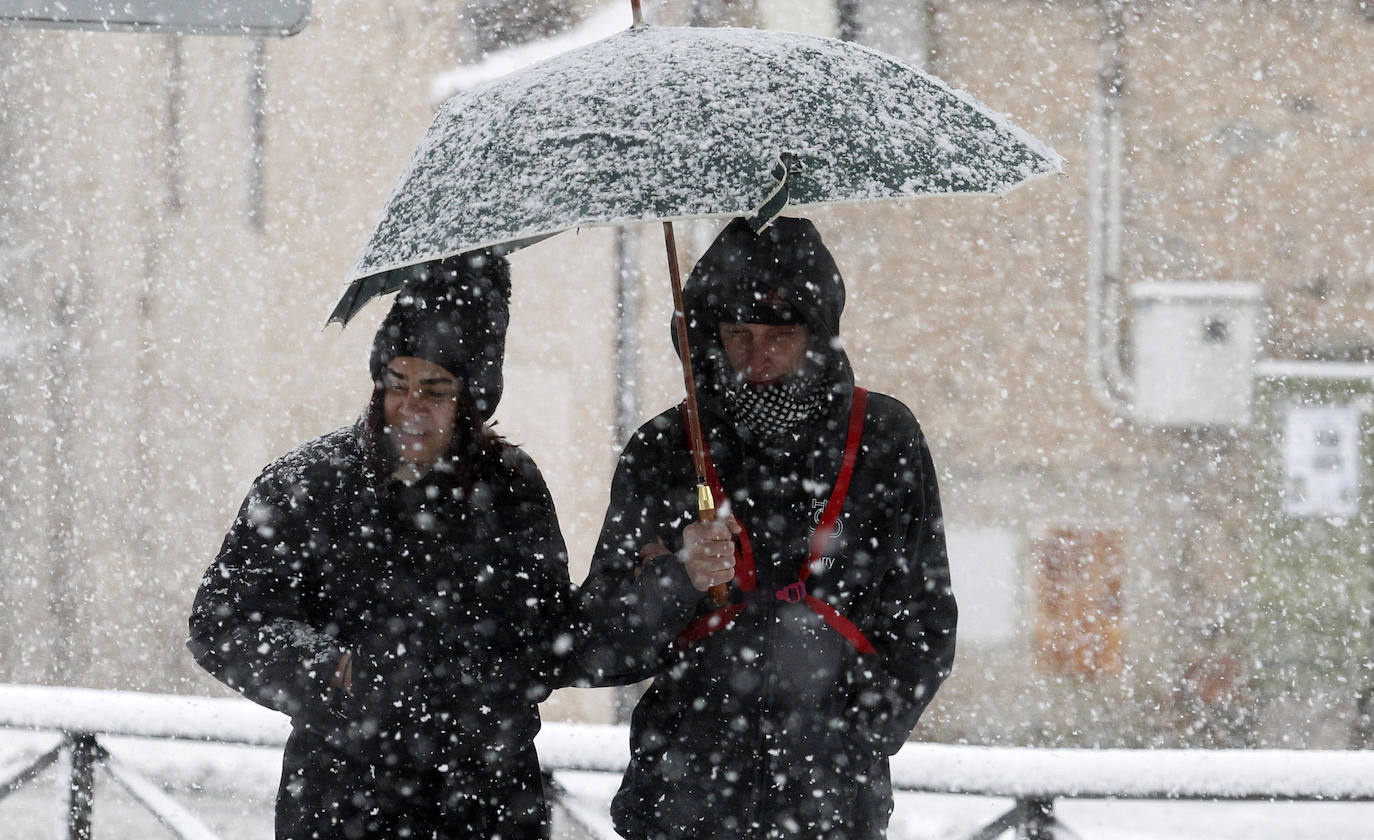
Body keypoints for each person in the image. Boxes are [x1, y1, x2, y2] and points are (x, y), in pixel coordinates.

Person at [580, 217, 957, 839]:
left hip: (831, 805)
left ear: (818, 337)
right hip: (682, 803)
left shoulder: (884, 440)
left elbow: (927, 621)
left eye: (780, 335)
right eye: (737, 334)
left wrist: (858, 736)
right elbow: (595, 648)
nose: (756, 358)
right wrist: (679, 580)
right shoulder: (665, 448)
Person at [188, 252, 578, 840]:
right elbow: (222, 624)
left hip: (489, 806)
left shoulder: (514, 489)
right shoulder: (308, 485)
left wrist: (668, 583)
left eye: (436, 388)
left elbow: (552, 636)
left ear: (474, 398)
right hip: (343, 804)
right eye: (397, 383)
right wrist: (328, 670)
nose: (412, 407)